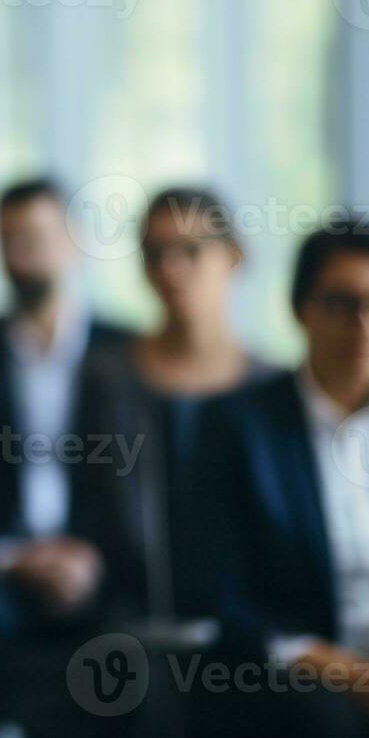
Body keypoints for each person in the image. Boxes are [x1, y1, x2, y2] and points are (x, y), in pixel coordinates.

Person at [192, 217, 369, 738]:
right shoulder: (238, 427)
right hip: (315, 681)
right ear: (301, 309)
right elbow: (220, 593)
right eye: (341, 303)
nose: (365, 324)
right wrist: (354, 676)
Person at [0, 176, 132, 738]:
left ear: (73, 241)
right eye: (8, 239)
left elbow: (139, 490)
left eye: (35, 237)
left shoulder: (124, 351)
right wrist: (12, 557)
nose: (21, 254)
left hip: (98, 565)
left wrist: (89, 558)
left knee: (139, 643)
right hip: (1, 561)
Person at [73, 187, 274, 625]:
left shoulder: (270, 386)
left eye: (191, 250)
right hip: (129, 610)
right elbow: (88, 506)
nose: (171, 269)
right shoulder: (106, 376)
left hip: (251, 614)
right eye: (155, 254)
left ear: (234, 256)